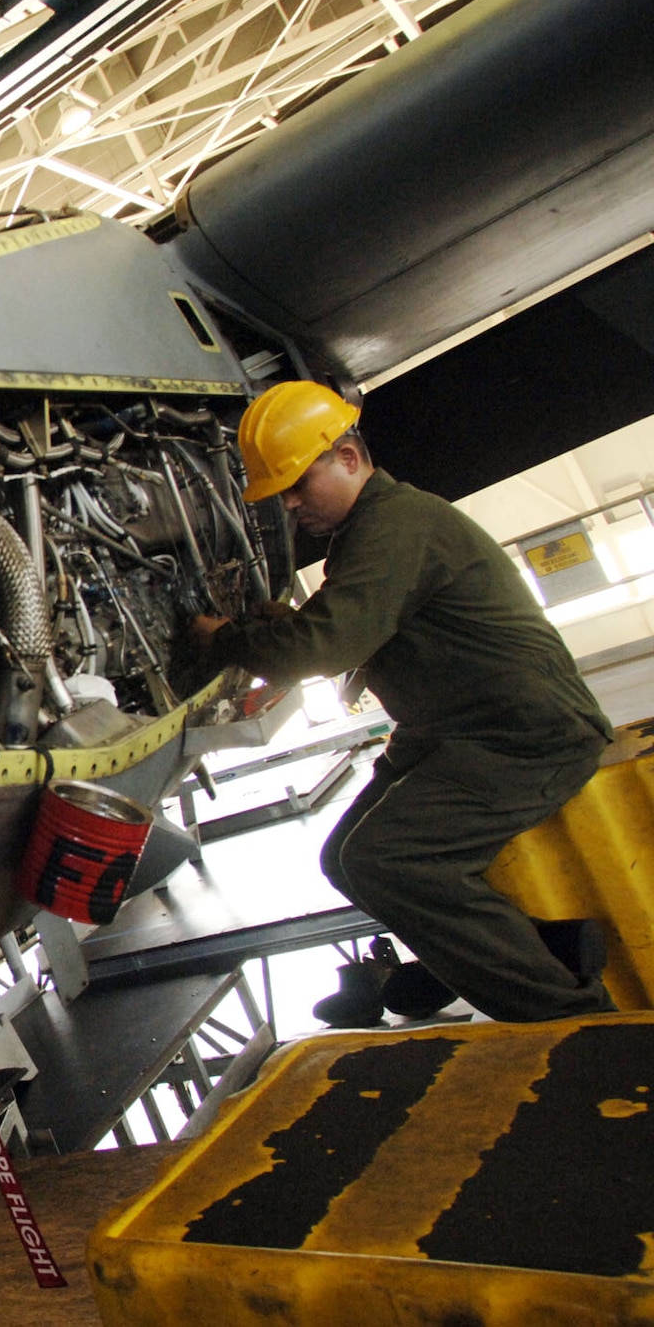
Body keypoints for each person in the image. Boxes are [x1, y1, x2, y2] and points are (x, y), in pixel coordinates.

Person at [190, 380, 613, 1026]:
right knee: (345, 860)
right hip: (453, 730)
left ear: (351, 458)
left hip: (527, 735)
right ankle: (542, 949)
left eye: (300, 484)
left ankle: (573, 1019)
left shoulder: (395, 525)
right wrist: (276, 624)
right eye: (284, 492)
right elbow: (355, 625)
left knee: (386, 860)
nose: (292, 504)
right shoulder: (372, 532)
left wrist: (228, 640)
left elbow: (324, 647)